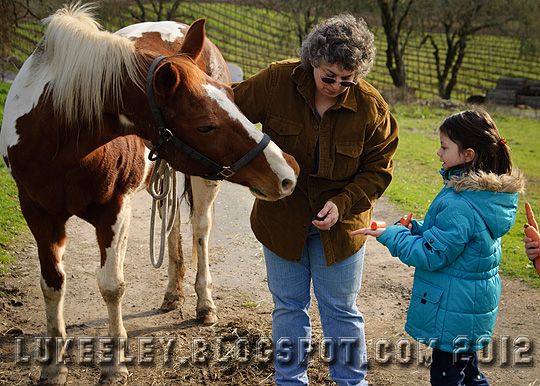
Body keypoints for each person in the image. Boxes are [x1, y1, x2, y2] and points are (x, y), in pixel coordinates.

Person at [233, 14, 398, 385]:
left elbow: (379, 169)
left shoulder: (372, 108)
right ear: (312, 63)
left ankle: (351, 381)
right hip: (281, 220)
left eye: (348, 80)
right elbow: (228, 110)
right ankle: (290, 381)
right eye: (329, 77)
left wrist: (343, 203)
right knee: (289, 308)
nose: (337, 86)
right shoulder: (276, 81)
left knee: (341, 310)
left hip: (342, 228)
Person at [353, 109, 525, 386]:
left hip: (453, 306)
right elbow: (464, 238)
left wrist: (391, 235)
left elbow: (431, 255)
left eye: (444, 147)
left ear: (468, 155)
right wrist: (418, 229)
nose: (438, 152)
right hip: (470, 302)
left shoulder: (459, 202)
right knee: (470, 374)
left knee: (446, 379)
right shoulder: (484, 197)